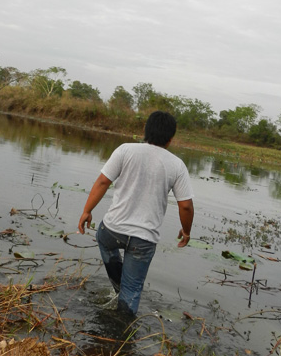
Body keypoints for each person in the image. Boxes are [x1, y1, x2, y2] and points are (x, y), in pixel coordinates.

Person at [78, 111, 194, 317]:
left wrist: (87, 210)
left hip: (112, 230)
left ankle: (117, 285)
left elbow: (103, 182)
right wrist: (186, 231)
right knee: (132, 291)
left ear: (145, 131)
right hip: (144, 239)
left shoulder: (125, 150)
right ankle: (124, 334)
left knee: (102, 238)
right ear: (170, 139)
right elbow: (185, 206)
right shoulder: (177, 165)